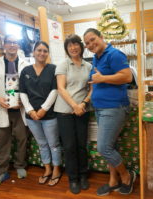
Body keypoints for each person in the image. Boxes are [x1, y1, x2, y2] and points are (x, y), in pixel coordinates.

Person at [83, 28, 136, 196]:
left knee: (104, 147)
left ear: (101, 37)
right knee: (111, 146)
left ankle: (127, 176)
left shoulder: (115, 54)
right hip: (100, 109)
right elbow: (95, 81)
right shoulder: (96, 58)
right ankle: (113, 180)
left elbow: (127, 77)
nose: (91, 44)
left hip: (114, 108)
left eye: (93, 39)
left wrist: (103, 78)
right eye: (87, 43)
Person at [0, 35, 28, 189]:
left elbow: (28, 86)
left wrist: (23, 100)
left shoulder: (25, 63)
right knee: (2, 142)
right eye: (9, 42)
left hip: (19, 108)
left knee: (21, 139)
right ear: (4, 45)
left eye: (15, 42)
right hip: (2, 108)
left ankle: (20, 165)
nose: (12, 45)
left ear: (18, 46)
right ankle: (0, 172)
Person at [19, 41, 62, 186]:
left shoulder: (53, 69)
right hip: (32, 117)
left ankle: (56, 169)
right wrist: (30, 111)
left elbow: (55, 90)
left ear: (47, 53)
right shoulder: (25, 71)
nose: (42, 53)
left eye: (45, 51)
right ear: (33, 52)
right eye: (39, 50)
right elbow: (22, 92)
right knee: (42, 144)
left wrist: (44, 109)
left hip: (49, 115)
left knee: (54, 144)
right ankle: (47, 169)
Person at [54, 34, 92, 194]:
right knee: (69, 146)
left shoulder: (88, 66)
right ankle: (73, 178)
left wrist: (82, 104)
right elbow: (61, 88)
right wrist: (74, 105)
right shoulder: (63, 65)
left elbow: (92, 88)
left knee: (81, 145)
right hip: (65, 112)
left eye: (76, 44)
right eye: (70, 45)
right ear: (66, 48)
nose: (73, 47)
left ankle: (83, 174)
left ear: (81, 47)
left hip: (82, 110)